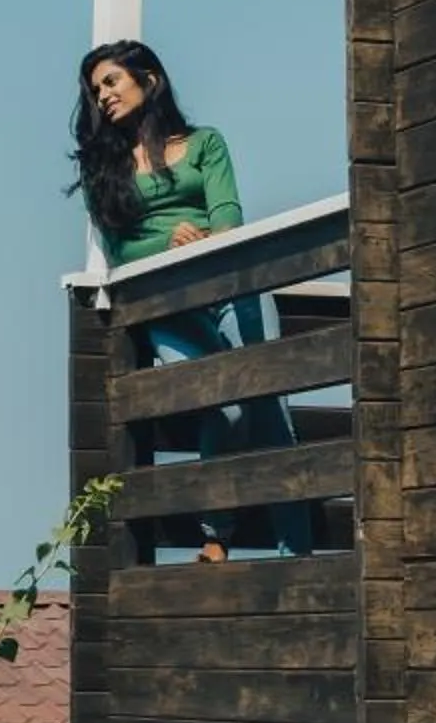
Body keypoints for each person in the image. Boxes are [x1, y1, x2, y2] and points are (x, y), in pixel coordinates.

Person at [70, 39, 310, 558]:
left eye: (112, 81)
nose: (103, 96)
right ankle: (215, 534)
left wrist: (203, 237)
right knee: (221, 408)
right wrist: (171, 242)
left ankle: (299, 553)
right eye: (96, 91)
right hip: (165, 303)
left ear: (149, 79)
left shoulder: (205, 143)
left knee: (272, 412)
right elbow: (120, 247)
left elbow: (228, 215)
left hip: (230, 287)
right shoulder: (103, 167)